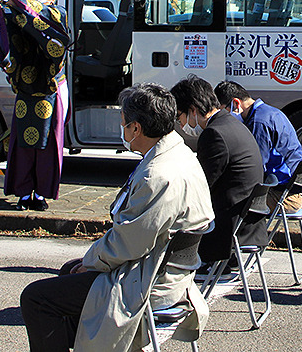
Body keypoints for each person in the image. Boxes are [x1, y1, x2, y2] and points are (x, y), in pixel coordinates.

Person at [20, 83, 214, 351]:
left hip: (149, 281)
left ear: (136, 128)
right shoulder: (180, 154)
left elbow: (128, 243)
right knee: (68, 274)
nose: (122, 130)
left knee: (36, 297)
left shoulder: (157, 175)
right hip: (166, 271)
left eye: (124, 124)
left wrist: (91, 262)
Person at [0, 0, 70, 211]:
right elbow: (0, 24)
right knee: (22, 145)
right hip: (27, 90)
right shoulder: (19, 14)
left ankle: (41, 193)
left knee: (48, 145)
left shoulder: (57, 13)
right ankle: (23, 192)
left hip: (51, 89)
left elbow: (37, 15)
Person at [170, 75, 264, 265]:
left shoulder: (214, 134)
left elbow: (201, 184)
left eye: (179, 116)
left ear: (193, 110)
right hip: (249, 218)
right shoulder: (231, 122)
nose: (180, 124)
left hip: (227, 224)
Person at [215, 80, 302, 212]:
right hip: (292, 189)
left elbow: (254, 168)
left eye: (223, 111)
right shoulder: (268, 111)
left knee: (227, 203)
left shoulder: (259, 123)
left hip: (284, 196)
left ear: (236, 103)